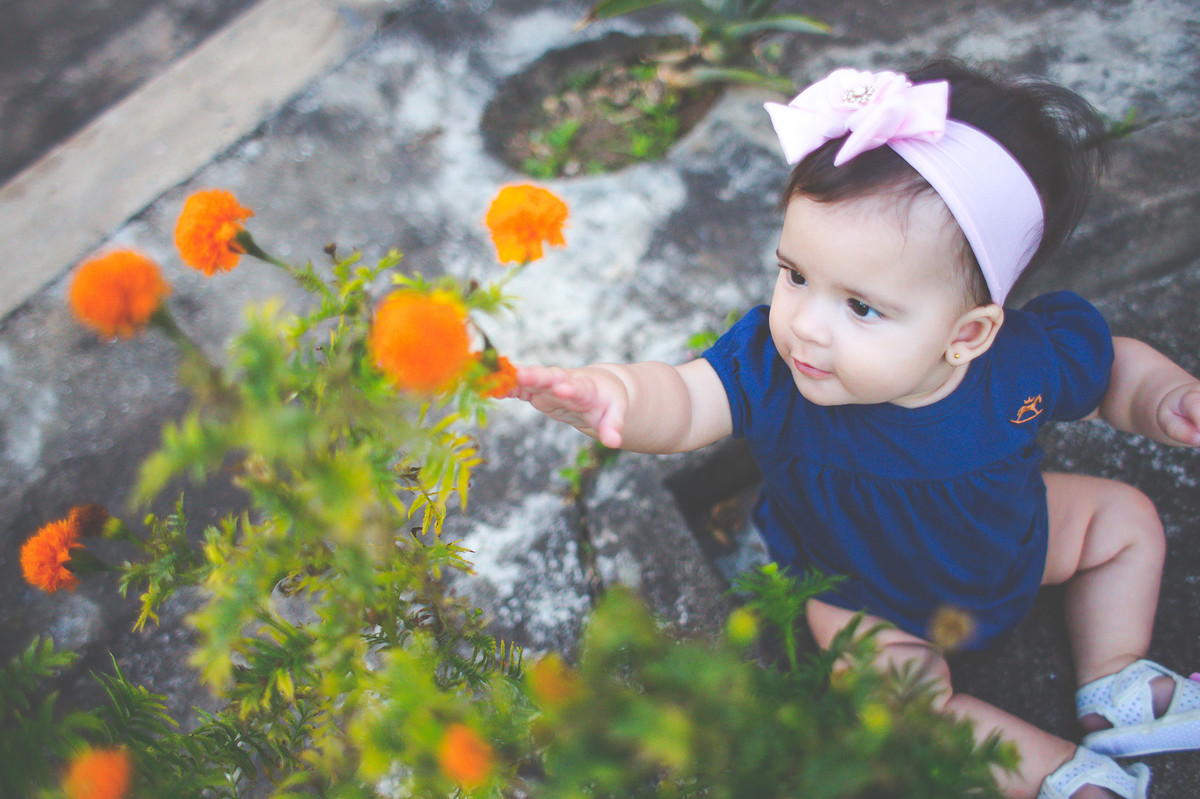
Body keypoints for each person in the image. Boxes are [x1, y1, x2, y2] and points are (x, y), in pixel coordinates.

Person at [508, 59, 1200, 799]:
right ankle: (1053, 771)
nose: (804, 324)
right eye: (795, 274)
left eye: (861, 307)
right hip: (869, 598)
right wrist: (613, 393)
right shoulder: (772, 369)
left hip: (1016, 544)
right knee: (888, 703)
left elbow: (1110, 371)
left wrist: (1163, 396)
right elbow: (682, 396)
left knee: (1125, 521)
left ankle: (1115, 677)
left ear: (967, 334)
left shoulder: (1021, 364)